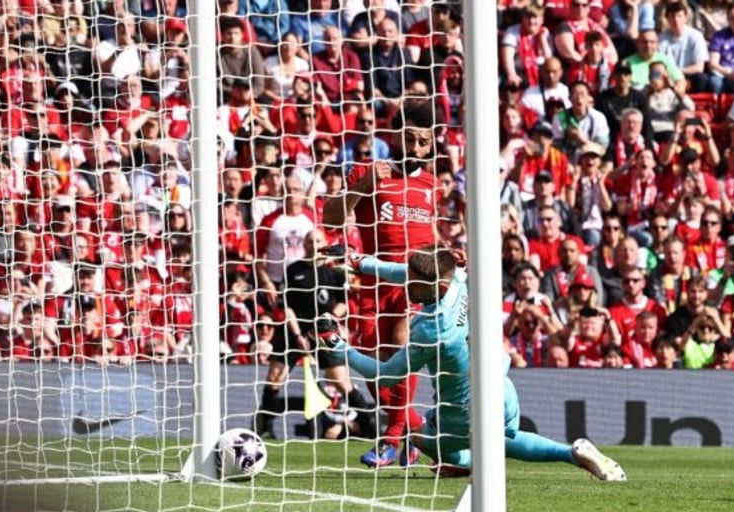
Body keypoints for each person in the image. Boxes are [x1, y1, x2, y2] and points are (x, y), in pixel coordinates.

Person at [316, 246, 626, 481]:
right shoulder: (459, 280)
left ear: (435, 286)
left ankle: (460, 459)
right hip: (502, 387)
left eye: (414, 282)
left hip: (462, 411)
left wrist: (341, 347)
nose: (406, 285)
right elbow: (404, 272)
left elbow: (385, 376)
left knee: (428, 440)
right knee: (504, 440)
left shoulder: (431, 330)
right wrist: (358, 261)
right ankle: (570, 452)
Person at [322, 99, 440, 468]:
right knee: (374, 365)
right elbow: (331, 217)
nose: (418, 149)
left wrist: (445, 255)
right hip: (373, 281)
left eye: (424, 142)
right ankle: (415, 429)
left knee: (404, 345)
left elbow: (430, 234)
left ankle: (390, 439)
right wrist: (362, 186)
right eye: (411, 139)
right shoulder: (368, 170)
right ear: (394, 137)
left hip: (414, 282)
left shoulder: (429, 182)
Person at [254, 228, 375, 439]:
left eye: (317, 240)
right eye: (309, 240)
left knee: (339, 380)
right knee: (275, 377)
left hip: (323, 332)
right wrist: (298, 336)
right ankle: (265, 427)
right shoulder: (293, 270)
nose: (313, 244)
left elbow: (343, 305)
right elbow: (287, 307)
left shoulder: (335, 272)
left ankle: (368, 424)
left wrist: (329, 318)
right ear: (304, 244)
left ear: (325, 243)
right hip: (294, 332)